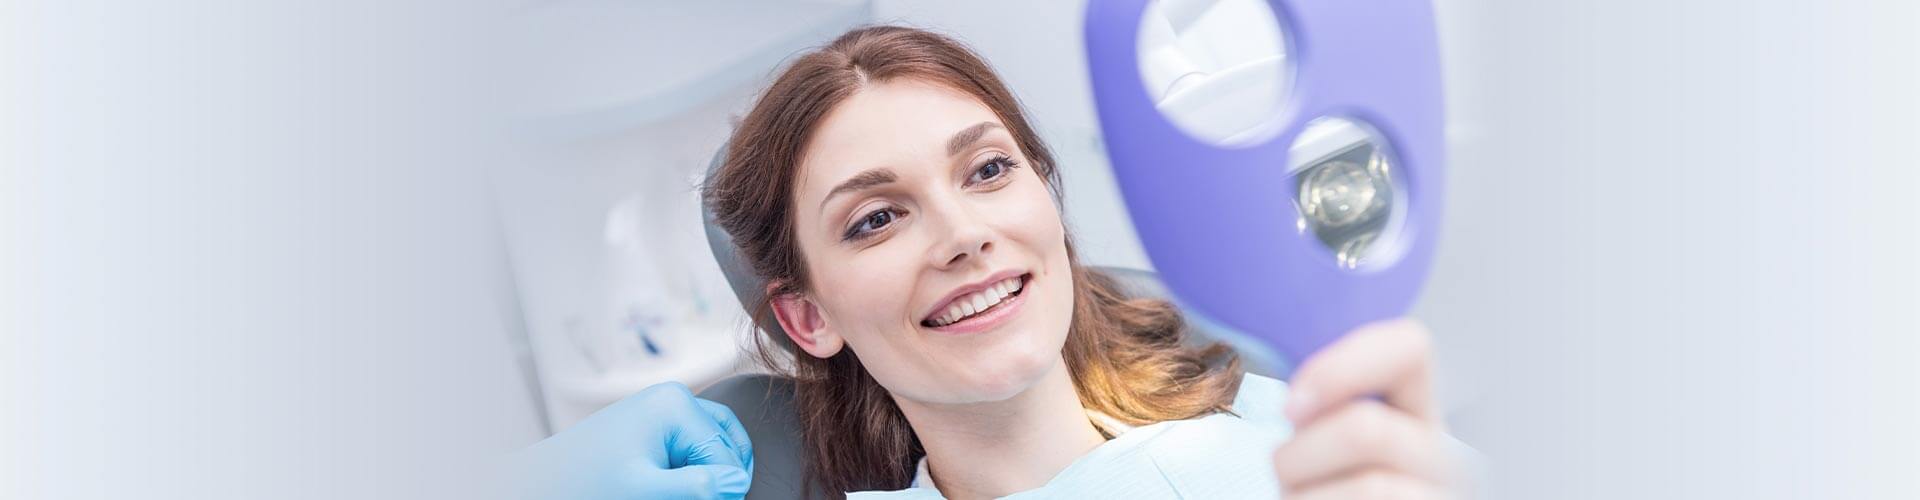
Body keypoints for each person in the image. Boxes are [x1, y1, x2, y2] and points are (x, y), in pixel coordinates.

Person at [695, 25, 1463, 499]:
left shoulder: (1301, 443)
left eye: (989, 171)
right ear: (808, 316)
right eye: (877, 219)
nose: (963, 234)